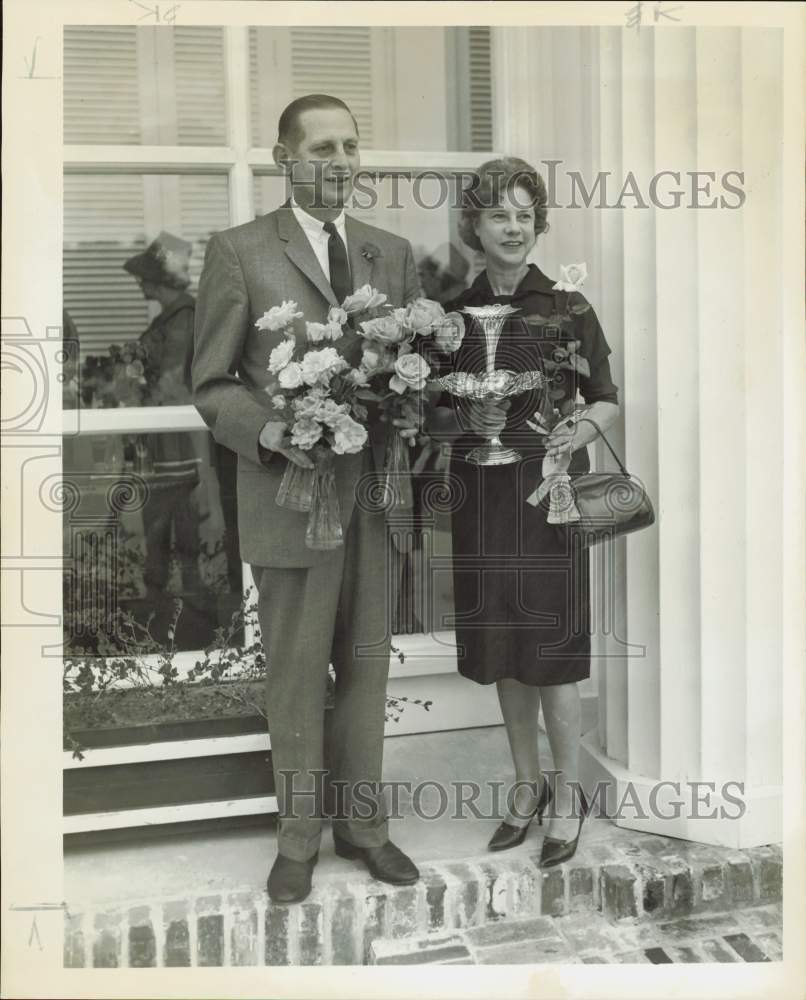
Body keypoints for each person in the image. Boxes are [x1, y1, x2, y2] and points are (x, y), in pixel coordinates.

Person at [192, 94, 421, 904]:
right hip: (290, 497)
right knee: (294, 672)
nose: (342, 161)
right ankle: (296, 839)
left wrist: (410, 402)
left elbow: (409, 375)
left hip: (374, 499)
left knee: (364, 668)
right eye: (322, 147)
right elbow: (212, 384)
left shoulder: (391, 256)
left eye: (352, 146)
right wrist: (272, 432)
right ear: (284, 157)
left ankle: (365, 829)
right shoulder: (240, 251)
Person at [427, 157, 619, 866]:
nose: (512, 227)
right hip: (481, 496)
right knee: (504, 649)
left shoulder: (567, 307)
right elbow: (433, 413)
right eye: (497, 214)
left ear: (537, 224)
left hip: (547, 498)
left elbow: (606, 394)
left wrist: (581, 430)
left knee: (551, 653)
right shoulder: (449, 317)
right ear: (472, 225)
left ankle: (568, 799)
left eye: (523, 215)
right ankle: (526, 786)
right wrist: (457, 411)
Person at [123, 233, 205, 604]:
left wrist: (135, 398)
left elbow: (173, 384)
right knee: (159, 521)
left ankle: (195, 610)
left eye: (144, 276)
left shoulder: (184, 319)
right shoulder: (167, 321)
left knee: (179, 523)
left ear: (161, 280)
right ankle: (160, 602)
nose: (139, 283)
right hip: (161, 439)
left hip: (177, 439)